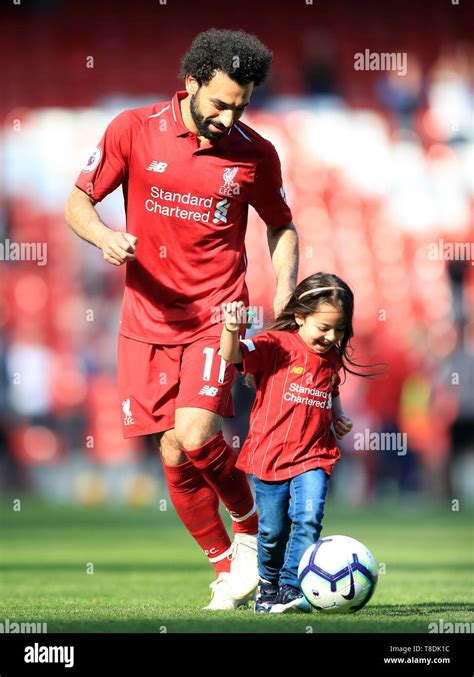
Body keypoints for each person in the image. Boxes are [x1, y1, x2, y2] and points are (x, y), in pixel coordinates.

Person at [64, 28, 299, 610]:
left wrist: (287, 295)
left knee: (197, 434)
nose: (228, 117)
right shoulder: (132, 130)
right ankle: (226, 567)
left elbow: (281, 225)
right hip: (145, 320)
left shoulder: (255, 153)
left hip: (217, 316)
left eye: (241, 106)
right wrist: (102, 238)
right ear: (190, 83)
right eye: (220, 103)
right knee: (172, 451)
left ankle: (251, 531)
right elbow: (78, 202)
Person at [220, 272, 374, 613]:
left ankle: (291, 586)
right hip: (270, 456)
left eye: (340, 329)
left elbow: (330, 388)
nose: (332, 337)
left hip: (315, 455)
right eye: (324, 328)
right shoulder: (275, 345)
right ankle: (268, 587)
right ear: (301, 316)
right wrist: (230, 328)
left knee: (308, 519)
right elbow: (232, 356)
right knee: (273, 530)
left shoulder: (331, 356)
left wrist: (338, 415)